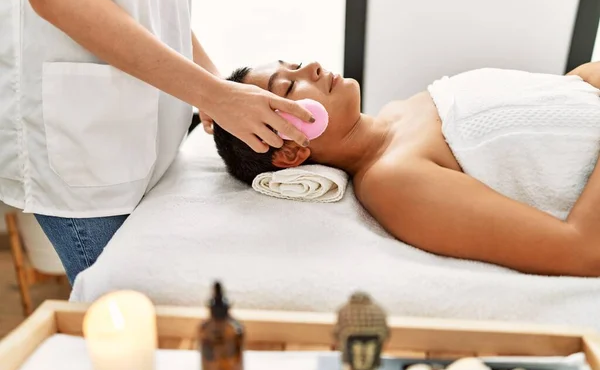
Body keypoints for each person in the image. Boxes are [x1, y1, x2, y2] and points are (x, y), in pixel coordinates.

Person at [0, 0, 315, 284]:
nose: (316, 68)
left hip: (143, 135)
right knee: (121, 316)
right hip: (83, 142)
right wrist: (214, 94)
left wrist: (210, 83)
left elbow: (153, 1)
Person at [213, 60, 600, 277]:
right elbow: (583, 250)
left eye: (294, 65)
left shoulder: (403, 108)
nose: (312, 67)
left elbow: (556, 100)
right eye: (289, 87)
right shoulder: (393, 182)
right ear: (292, 152)